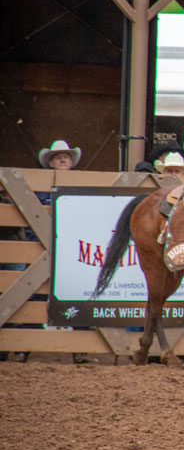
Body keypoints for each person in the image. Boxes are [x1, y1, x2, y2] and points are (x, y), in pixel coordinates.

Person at [36, 140, 91, 364]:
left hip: (74, 249)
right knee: (36, 293)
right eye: (57, 156)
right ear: (50, 162)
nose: (62, 159)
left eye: (66, 156)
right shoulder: (38, 188)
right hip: (42, 248)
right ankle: (25, 345)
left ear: (71, 162)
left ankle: (81, 347)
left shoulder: (83, 186)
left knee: (80, 291)